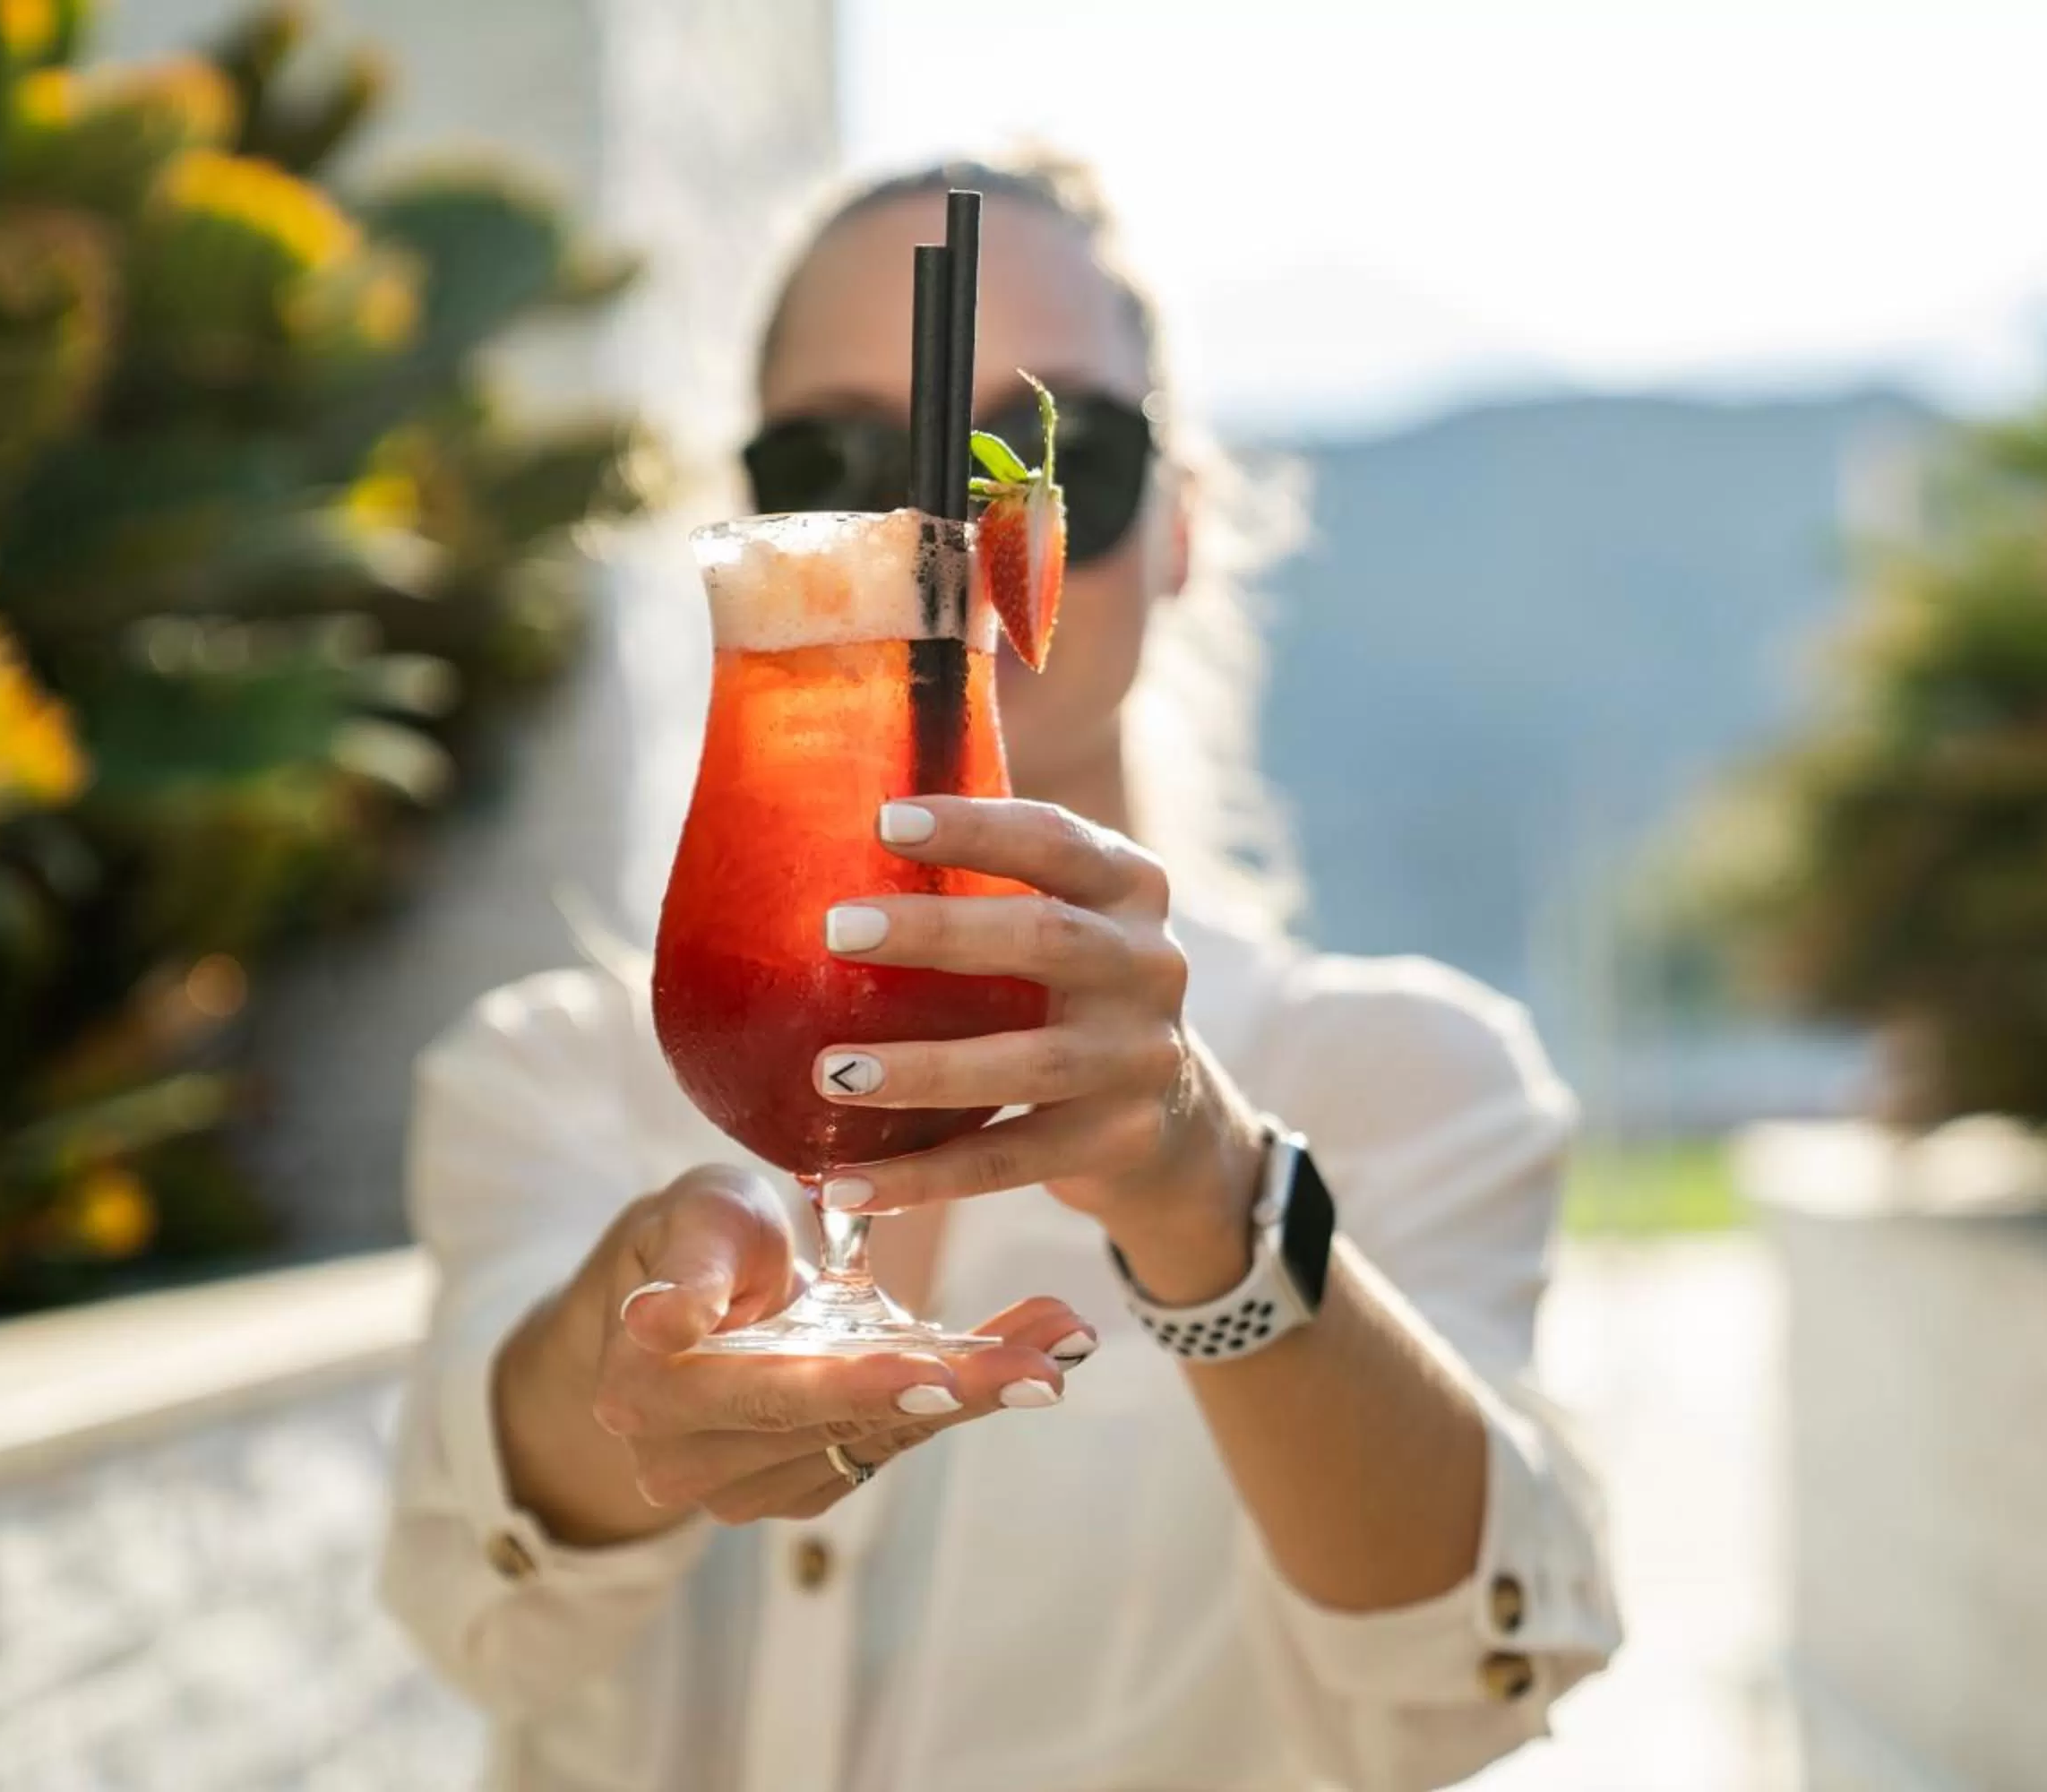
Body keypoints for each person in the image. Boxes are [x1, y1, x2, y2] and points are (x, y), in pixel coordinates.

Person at [380, 151, 1619, 1792]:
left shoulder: (1404, 1082)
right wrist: (633, 1352)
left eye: (1065, 461)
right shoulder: (552, 1076)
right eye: (837, 456)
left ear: (1179, 534)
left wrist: (1208, 1191)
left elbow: (1467, 1681)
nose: (927, 528)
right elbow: (478, 1610)